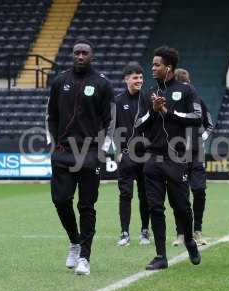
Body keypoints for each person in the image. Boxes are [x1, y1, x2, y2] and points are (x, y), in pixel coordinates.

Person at [46, 39, 114, 275]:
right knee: (60, 200)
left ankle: (84, 257)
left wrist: (103, 149)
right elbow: (51, 116)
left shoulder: (102, 84)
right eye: (77, 53)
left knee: (87, 206)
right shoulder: (59, 82)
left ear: (92, 56)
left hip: (90, 153)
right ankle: (74, 241)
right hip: (63, 153)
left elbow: (110, 121)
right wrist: (53, 145)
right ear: (72, 55)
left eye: (85, 53)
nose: (80, 56)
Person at [135, 46, 202, 270]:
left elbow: (196, 118)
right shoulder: (148, 93)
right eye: (152, 64)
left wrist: (168, 113)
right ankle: (160, 256)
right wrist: (154, 110)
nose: (152, 68)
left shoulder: (186, 90)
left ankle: (190, 240)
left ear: (169, 67)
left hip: (177, 158)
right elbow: (138, 125)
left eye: (156, 65)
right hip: (153, 158)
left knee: (181, 207)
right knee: (155, 207)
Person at [171, 68, 214, 247]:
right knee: (179, 194)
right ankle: (180, 233)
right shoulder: (171, 103)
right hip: (177, 153)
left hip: (196, 154)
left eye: (187, 84)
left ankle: (197, 231)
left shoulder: (198, 101)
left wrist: (200, 139)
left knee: (199, 190)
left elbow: (209, 124)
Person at [114, 62, 151, 246]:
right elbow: (113, 128)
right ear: (126, 79)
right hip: (127, 157)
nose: (139, 81)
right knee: (125, 195)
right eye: (135, 78)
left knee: (146, 195)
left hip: (146, 156)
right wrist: (118, 152)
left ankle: (145, 231)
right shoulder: (118, 101)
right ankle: (124, 233)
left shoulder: (148, 99)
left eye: (141, 78)